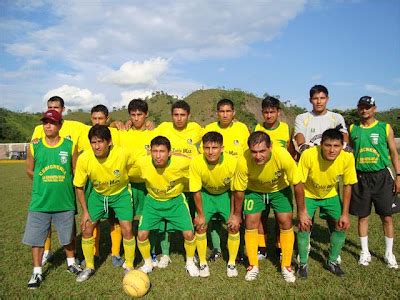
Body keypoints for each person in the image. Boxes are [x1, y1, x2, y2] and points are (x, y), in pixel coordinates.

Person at [232, 131, 309, 282]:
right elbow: (239, 191)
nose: (258, 156)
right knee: (251, 221)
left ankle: (286, 265)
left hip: (279, 190)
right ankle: (253, 265)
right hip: (254, 191)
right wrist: (236, 214)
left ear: (270, 147)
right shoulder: (243, 160)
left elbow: (298, 184)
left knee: (285, 221)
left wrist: (302, 212)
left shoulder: (283, 156)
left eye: (262, 151)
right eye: (254, 152)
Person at [23, 109, 81, 289]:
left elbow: (76, 171)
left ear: (60, 125)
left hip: (64, 201)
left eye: (52, 122)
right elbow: (29, 170)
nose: (47, 125)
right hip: (40, 202)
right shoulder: (34, 145)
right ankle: (37, 272)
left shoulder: (70, 146)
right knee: (37, 239)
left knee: (68, 236)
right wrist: (43, 181)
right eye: (45, 122)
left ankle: (71, 263)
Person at [74, 125, 136, 282]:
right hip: (98, 195)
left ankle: (129, 265)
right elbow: (79, 187)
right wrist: (85, 212)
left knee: (127, 229)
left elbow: (138, 164)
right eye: (93, 142)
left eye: (100, 142)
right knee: (87, 228)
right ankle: (89, 266)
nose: (96, 146)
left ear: (109, 142)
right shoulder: (85, 158)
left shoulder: (122, 153)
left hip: (121, 194)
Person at [31, 96, 86, 265]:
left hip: (65, 187)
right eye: (50, 106)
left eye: (56, 107)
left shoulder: (75, 127)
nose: (53, 109)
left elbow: (97, 127)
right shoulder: (39, 129)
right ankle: (47, 250)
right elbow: (34, 156)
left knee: (68, 221)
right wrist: (41, 180)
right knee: (44, 219)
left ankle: (73, 253)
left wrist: (116, 124)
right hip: (46, 187)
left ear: (63, 109)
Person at [297, 128, 357, 278]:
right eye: (328, 145)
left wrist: (345, 214)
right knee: (304, 226)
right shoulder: (308, 155)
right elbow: (299, 184)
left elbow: (348, 185)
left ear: (342, 146)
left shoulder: (347, 157)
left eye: (336, 146)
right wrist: (302, 212)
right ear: (321, 144)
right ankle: (302, 264)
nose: (332, 150)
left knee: (340, 226)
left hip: (331, 195)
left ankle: (332, 261)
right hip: (309, 195)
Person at [135, 136, 199, 277]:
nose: (158, 155)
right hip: (152, 202)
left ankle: (190, 263)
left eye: (162, 151)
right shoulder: (142, 162)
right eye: (155, 151)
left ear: (170, 152)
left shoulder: (181, 162)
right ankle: (147, 263)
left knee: (189, 234)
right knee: (141, 235)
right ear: (150, 152)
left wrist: (179, 154)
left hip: (175, 202)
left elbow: (198, 162)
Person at [349, 96, 400, 269]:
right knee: (362, 216)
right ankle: (364, 252)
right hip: (360, 177)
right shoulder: (353, 128)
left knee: (386, 216)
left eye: (368, 107)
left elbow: (394, 153)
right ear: (358, 109)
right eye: (362, 107)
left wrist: (399, 175)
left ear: (374, 109)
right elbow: (348, 153)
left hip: (382, 176)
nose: (365, 110)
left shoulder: (384, 127)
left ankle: (388, 253)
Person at [154, 100, 203, 268]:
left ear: (189, 116)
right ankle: (165, 254)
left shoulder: (196, 129)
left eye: (183, 115)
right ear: (171, 116)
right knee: (164, 221)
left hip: (191, 185)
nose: (179, 118)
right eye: (176, 115)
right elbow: (146, 134)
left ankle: (192, 252)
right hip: (170, 185)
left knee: (191, 220)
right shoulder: (163, 128)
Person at [202, 98, 250, 261]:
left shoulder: (242, 128)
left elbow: (247, 153)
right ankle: (216, 248)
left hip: (237, 181)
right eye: (221, 111)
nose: (225, 114)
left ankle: (238, 252)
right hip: (215, 179)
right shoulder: (209, 128)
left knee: (237, 216)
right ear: (217, 113)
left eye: (228, 111)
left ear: (234, 112)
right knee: (215, 220)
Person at [190, 132, 240, 278]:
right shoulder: (196, 162)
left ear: (222, 148)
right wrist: (200, 215)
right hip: (206, 195)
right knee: (200, 226)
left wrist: (233, 214)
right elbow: (196, 191)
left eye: (214, 147)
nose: (210, 152)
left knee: (233, 226)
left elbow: (235, 190)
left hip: (226, 195)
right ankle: (203, 263)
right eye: (207, 148)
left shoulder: (232, 162)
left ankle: (231, 263)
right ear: (202, 148)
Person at [79, 105, 124, 267]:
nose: (97, 122)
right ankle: (94, 253)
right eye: (94, 118)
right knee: (93, 219)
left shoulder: (116, 133)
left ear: (107, 119)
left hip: (114, 182)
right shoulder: (84, 132)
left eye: (101, 119)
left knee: (115, 218)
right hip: (93, 182)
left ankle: (116, 253)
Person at [254, 96, 295, 260]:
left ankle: (280, 246)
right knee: (260, 217)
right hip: (261, 182)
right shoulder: (257, 128)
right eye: (266, 112)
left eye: (272, 112)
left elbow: (291, 151)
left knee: (282, 217)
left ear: (278, 112)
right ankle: (261, 247)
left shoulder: (285, 128)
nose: (269, 115)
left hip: (281, 182)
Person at [118, 99, 157, 265]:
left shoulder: (153, 133)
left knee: (150, 217)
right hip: (128, 183)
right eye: (132, 115)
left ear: (146, 115)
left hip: (148, 183)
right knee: (127, 218)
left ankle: (152, 251)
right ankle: (128, 250)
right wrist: (115, 122)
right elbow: (105, 129)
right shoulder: (123, 133)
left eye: (139, 114)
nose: (136, 118)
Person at [294, 84, 348, 154]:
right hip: (310, 158)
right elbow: (299, 134)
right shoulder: (301, 117)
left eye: (322, 98)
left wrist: (345, 145)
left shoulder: (337, 117)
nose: (319, 102)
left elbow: (343, 134)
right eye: (315, 98)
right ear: (310, 100)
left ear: (327, 99)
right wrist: (302, 146)